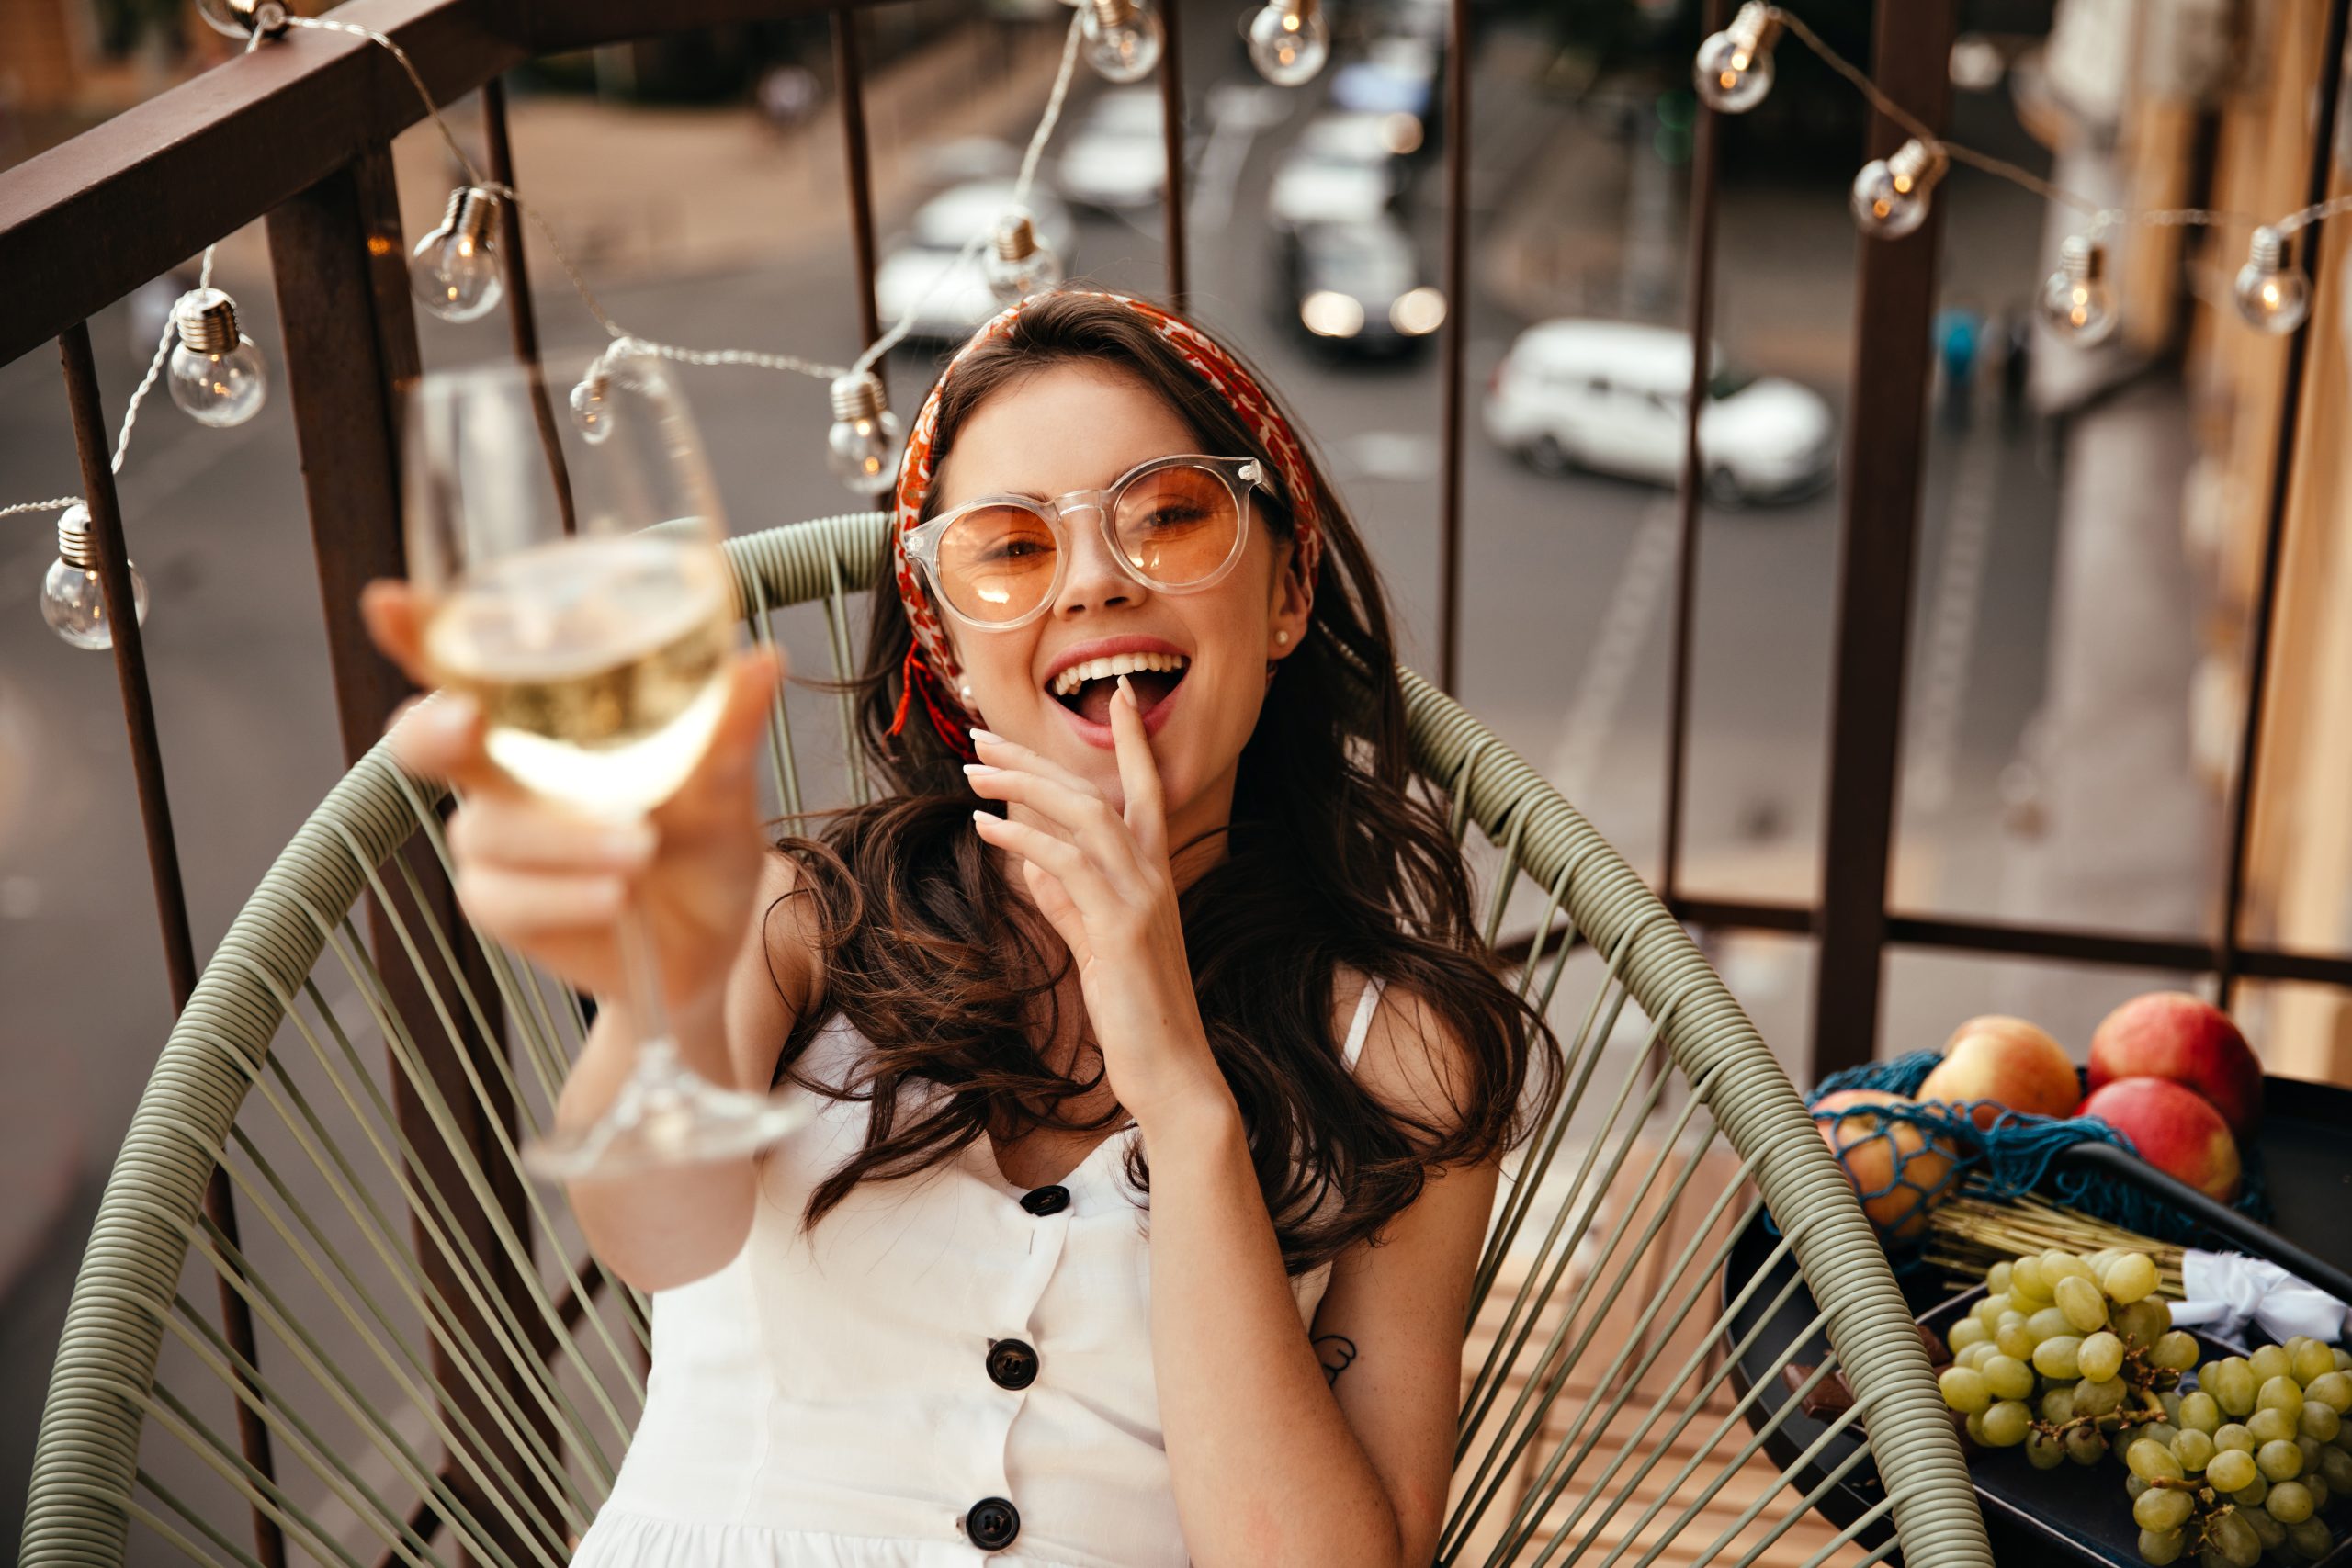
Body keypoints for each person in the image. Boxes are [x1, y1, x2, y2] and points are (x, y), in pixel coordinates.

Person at [363, 288, 1557, 1568]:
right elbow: (652, 1227)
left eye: (1168, 517)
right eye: (1012, 548)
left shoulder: (1404, 1058)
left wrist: (1181, 1094)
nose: (1097, 580)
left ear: (1285, 592)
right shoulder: (796, 918)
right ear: (944, 645)